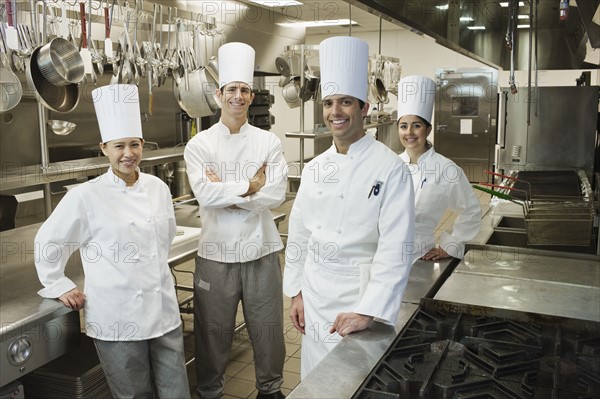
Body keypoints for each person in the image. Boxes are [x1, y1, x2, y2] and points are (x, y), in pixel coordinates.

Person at [34, 84, 190, 399]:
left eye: (134, 144)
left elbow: (165, 238)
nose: (128, 154)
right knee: (134, 395)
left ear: (143, 145)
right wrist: (58, 283)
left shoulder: (158, 187)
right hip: (117, 316)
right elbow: (48, 243)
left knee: (177, 392)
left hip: (162, 309)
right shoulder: (85, 196)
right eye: (119, 146)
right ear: (104, 148)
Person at [282, 36, 416, 379]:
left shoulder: (390, 169)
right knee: (314, 379)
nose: (335, 112)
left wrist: (368, 310)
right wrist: (296, 292)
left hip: (357, 296)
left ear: (364, 108)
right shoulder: (314, 168)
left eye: (345, 102)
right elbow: (299, 233)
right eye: (328, 103)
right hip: (314, 293)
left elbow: (395, 248)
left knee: (353, 382)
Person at [184, 42, 287, 399]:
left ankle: (270, 390)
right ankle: (210, 392)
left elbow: (276, 194)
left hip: (261, 250)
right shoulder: (199, 145)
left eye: (244, 90)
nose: (238, 96)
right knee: (213, 332)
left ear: (251, 95)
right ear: (218, 94)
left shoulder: (268, 141)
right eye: (232, 90)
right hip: (214, 254)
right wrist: (250, 187)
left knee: (268, 328)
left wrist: (227, 194)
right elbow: (204, 195)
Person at [396, 75, 482, 261]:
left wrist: (449, 246)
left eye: (416, 126)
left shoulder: (445, 169)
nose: (409, 132)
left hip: (420, 256)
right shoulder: (390, 165)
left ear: (427, 130)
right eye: (403, 126)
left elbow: (471, 210)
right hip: (383, 255)